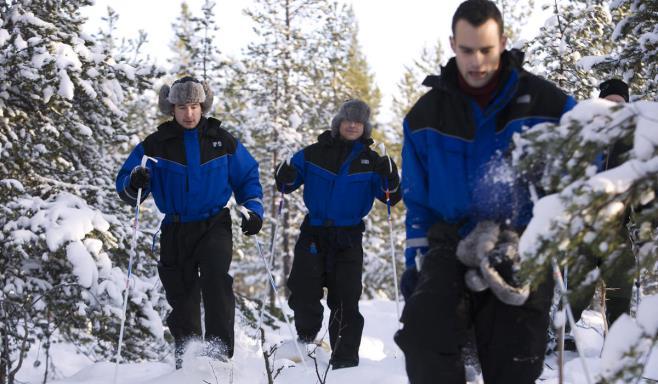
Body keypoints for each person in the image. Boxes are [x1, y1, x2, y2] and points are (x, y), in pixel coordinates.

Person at [393, 1, 577, 383]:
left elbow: (583, 172)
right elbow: (418, 201)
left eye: (486, 50)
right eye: (466, 50)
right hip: (450, 242)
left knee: (513, 360)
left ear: (503, 42)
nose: (476, 61)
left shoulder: (550, 105)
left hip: (522, 244)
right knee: (422, 333)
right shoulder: (424, 117)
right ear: (452, 45)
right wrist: (416, 262)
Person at [115, 76, 264, 368]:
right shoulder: (156, 144)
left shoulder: (221, 140)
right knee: (181, 294)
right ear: (171, 108)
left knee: (216, 279)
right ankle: (188, 356)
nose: (189, 113)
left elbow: (247, 176)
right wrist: (136, 181)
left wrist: (254, 210)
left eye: (194, 106)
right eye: (182, 106)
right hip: (175, 227)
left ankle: (219, 353)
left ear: (203, 105)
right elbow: (125, 184)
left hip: (214, 223)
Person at [274, 99, 401, 370]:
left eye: (358, 121)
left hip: (348, 236)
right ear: (338, 123)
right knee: (303, 288)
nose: (353, 125)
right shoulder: (313, 153)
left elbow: (390, 198)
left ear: (365, 128)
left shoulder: (373, 161)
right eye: (348, 120)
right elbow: (287, 182)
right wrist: (283, 174)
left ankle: (345, 360)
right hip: (314, 232)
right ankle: (307, 341)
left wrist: (391, 179)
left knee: (346, 297)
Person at [564, 78, 634, 349]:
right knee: (579, 284)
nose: (615, 107)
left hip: (618, 225)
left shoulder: (632, 139)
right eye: (610, 102)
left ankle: (617, 340)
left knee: (621, 285)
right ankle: (559, 334)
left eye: (620, 103)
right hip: (585, 223)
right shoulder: (585, 134)